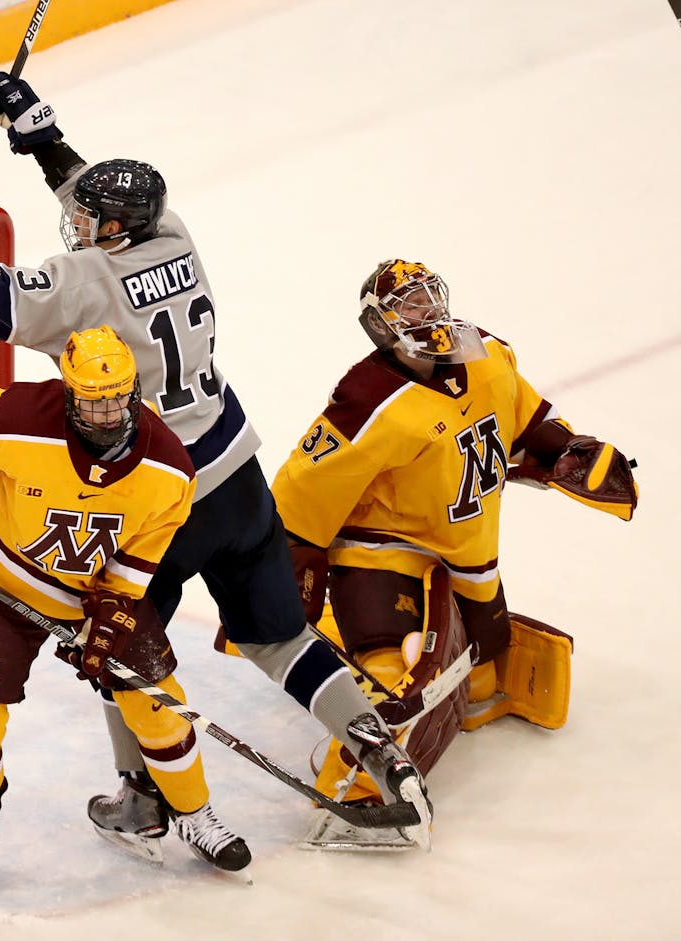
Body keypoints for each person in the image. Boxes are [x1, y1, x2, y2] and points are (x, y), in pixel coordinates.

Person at [0, 72, 429, 858]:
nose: (76, 221)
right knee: (281, 636)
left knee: (120, 647)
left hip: (156, 498)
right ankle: (377, 746)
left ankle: (144, 800)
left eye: (89, 218)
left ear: (111, 230)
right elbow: (97, 196)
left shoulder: (82, 280)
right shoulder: (174, 233)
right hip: (236, 476)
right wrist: (37, 132)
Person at [0, 327, 250, 891]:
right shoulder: (20, 416)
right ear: (70, 392)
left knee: (160, 706)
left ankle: (194, 813)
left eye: (116, 398)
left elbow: (137, 559)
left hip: (94, 596)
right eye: (90, 400)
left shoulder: (170, 471)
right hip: (4, 585)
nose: (105, 413)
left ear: (135, 392)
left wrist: (112, 614)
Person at [268, 259, 637, 807]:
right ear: (380, 324)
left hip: (467, 541)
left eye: (429, 297)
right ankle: (363, 782)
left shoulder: (487, 355)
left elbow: (528, 415)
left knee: (484, 659)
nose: (426, 312)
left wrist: (560, 449)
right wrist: (290, 562)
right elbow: (306, 486)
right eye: (408, 304)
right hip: (380, 543)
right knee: (386, 660)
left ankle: (473, 696)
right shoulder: (370, 400)